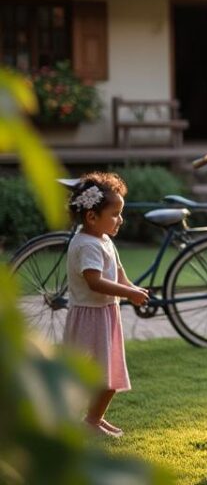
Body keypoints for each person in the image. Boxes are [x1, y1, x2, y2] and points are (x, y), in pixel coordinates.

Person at [63, 172, 149, 437]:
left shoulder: (103, 240)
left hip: (106, 314)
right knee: (94, 375)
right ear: (91, 217)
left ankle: (94, 419)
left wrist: (132, 288)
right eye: (114, 214)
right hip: (90, 318)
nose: (120, 220)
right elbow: (95, 282)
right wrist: (128, 293)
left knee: (109, 374)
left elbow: (119, 272)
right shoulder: (87, 245)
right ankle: (80, 421)